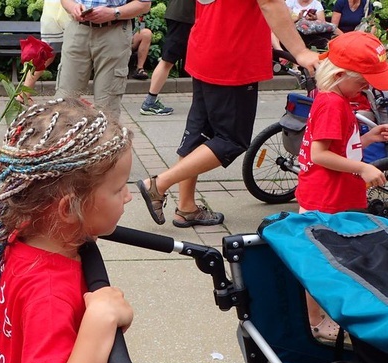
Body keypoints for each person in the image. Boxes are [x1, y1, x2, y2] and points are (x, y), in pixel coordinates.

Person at [0, 98, 134, 363]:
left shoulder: (19, 234)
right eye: (119, 188)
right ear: (69, 209)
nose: (128, 196)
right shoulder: (49, 292)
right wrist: (99, 321)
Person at [137, 0, 320, 228]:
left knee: (199, 134)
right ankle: (158, 184)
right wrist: (301, 51)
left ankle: (186, 207)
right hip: (233, 57)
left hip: (206, 47)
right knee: (230, 139)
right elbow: (270, 3)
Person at [295, 31, 388, 341]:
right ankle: (315, 322)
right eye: (362, 81)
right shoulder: (333, 104)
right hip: (327, 197)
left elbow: (337, 147)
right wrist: (363, 167)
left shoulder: (334, 98)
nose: (367, 87)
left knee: (329, 259)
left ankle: (320, 316)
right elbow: (321, 155)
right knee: (321, 264)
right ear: (338, 75)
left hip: (330, 193)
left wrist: (368, 139)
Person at [56, 0, 152, 118]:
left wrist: (114, 12)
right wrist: (73, 7)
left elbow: (144, 4)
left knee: (107, 107)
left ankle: (106, 135)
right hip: (77, 28)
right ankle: (62, 135)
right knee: (64, 103)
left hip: (113, 31)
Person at [140, 0, 194, 116]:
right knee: (168, 60)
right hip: (184, 16)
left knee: (170, 59)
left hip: (180, 14)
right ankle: (149, 102)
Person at [18, 0, 71, 105]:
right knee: (73, 56)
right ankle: (71, 96)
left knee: (45, 57)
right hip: (65, 17)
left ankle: (24, 94)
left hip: (51, 16)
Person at [128, 16, 152, 81]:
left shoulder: (136, 12)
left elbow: (140, 28)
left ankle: (139, 69)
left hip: (129, 38)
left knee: (146, 33)